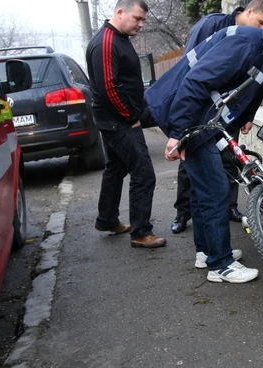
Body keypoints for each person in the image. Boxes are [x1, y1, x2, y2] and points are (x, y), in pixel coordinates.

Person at [144, 27, 263, 283]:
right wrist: (178, 133)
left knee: (204, 192)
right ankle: (221, 264)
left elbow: (246, 90)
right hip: (192, 121)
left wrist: (243, 119)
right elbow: (197, 81)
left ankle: (207, 251)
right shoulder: (247, 45)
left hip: (201, 122)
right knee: (215, 190)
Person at [171, 0, 263, 235]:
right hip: (201, 110)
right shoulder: (211, 25)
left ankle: (229, 207)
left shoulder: (256, 41)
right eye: (260, 23)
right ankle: (183, 211)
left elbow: (258, 81)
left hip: (229, 112)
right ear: (248, 12)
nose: (262, 30)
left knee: (228, 158)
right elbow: (191, 67)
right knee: (190, 163)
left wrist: (249, 114)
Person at [86, 0, 166, 248]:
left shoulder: (118, 38)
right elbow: (108, 87)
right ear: (120, 12)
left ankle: (107, 219)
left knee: (116, 169)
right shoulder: (106, 42)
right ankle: (141, 233)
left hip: (115, 120)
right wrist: (130, 117)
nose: (141, 24)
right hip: (118, 121)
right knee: (143, 173)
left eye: (143, 20)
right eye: (137, 19)